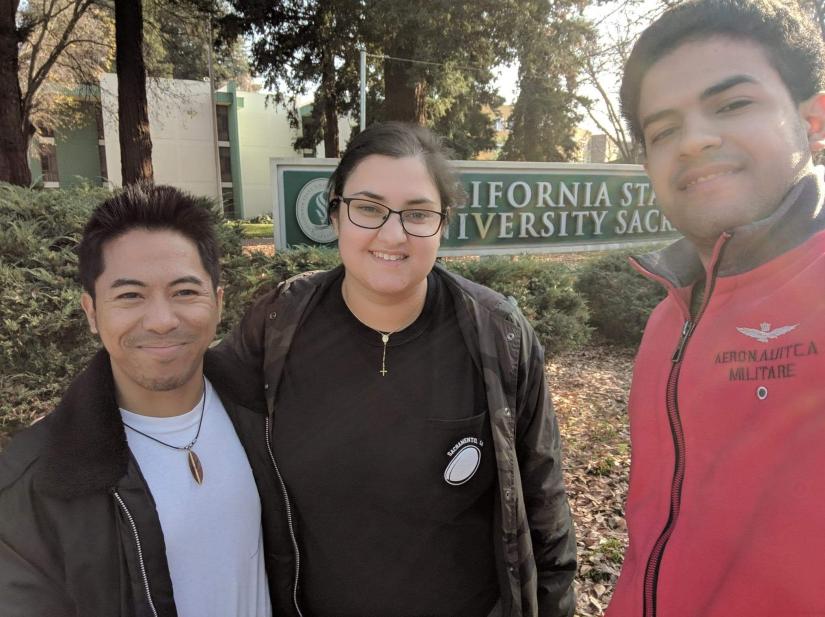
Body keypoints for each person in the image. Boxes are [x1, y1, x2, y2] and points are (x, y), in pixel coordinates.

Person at [209, 122, 576, 617]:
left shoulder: (499, 337)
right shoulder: (277, 325)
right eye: (368, 208)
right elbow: (187, 418)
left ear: (443, 225)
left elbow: (544, 511)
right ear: (335, 214)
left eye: (418, 213)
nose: (392, 233)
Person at [605, 1, 825, 616]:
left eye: (732, 105)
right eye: (664, 129)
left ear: (813, 119)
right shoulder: (667, 319)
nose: (696, 139)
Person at [0, 184, 279, 616]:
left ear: (218, 303)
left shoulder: (263, 413)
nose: (163, 321)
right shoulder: (35, 481)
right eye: (130, 295)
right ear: (92, 312)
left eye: (185, 292)